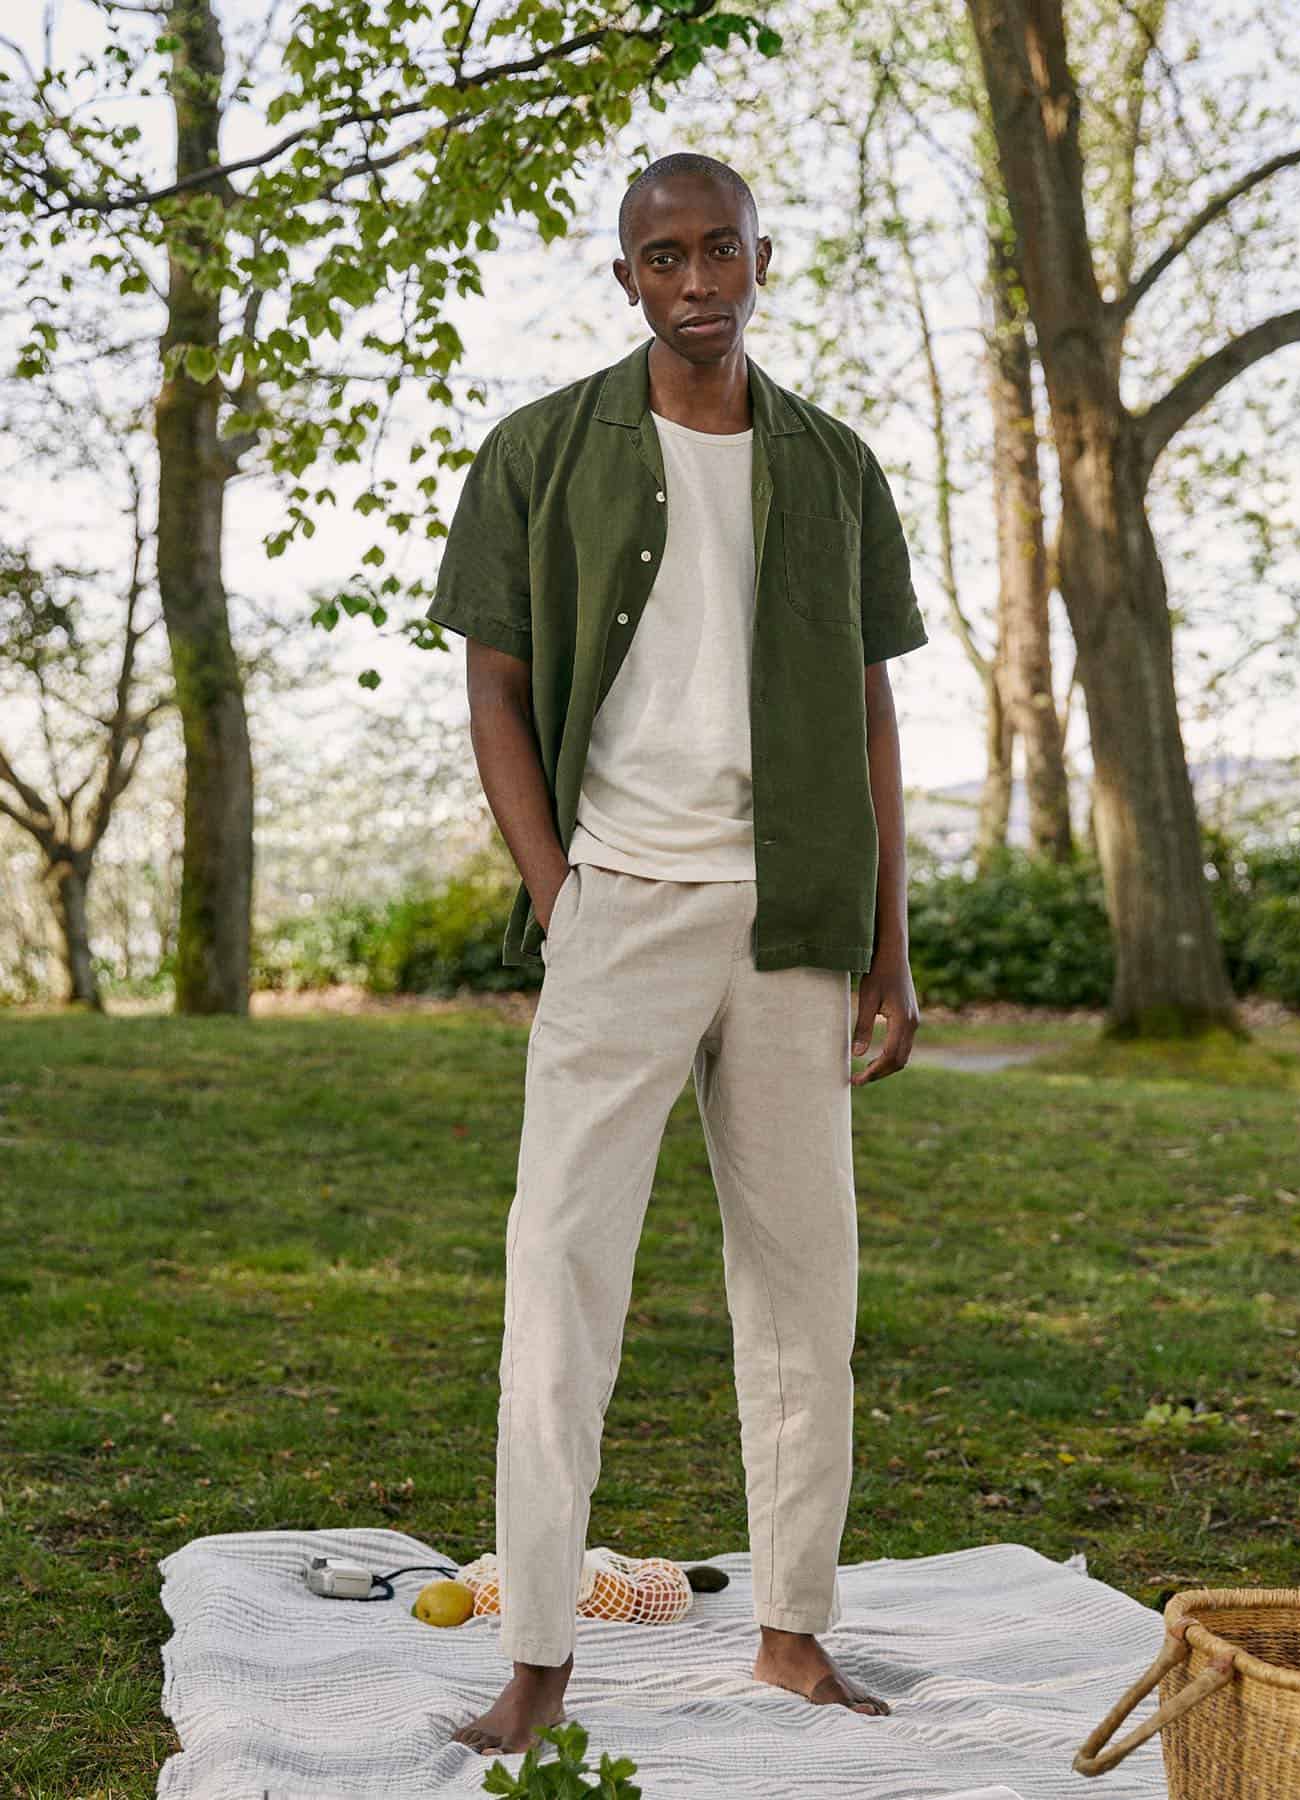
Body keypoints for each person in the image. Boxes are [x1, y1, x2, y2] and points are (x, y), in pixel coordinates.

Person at [427, 151, 929, 1757]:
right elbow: (493, 687)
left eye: (722, 250)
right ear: (627, 276)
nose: (697, 280)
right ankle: (539, 1655)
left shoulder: (838, 469)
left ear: (761, 258)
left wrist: (888, 949)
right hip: (621, 911)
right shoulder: (537, 453)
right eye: (665, 256)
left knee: (803, 1287)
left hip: (794, 922)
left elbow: (870, 710)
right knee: (558, 1276)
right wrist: (560, 895)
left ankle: (791, 1636)